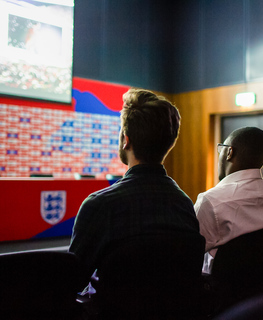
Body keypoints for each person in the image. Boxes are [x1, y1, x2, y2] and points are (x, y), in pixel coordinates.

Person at [68, 88, 203, 317]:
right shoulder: (184, 205)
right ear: (168, 144)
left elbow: (70, 281)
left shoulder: (100, 205)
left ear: (125, 141)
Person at [195, 126, 263, 274]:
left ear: (229, 152)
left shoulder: (211, 201)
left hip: (220, 292)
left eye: (221, 149)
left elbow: (190, 254)